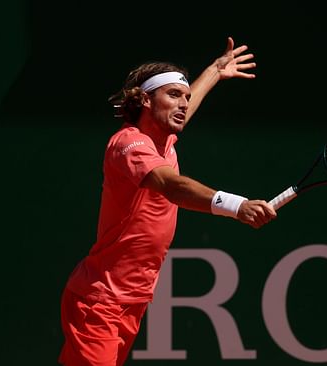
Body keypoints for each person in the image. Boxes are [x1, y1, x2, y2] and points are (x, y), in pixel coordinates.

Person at [59, 37, 277, 366]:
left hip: (131, 301)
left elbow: (186, 111)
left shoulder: (165, 139)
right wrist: (236, 205)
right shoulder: (128, 144)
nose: (183, 104)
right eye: (173, 95)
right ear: (145, 100)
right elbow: (172, 186)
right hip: (100, 299)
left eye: (186, 97)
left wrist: (215, 71)